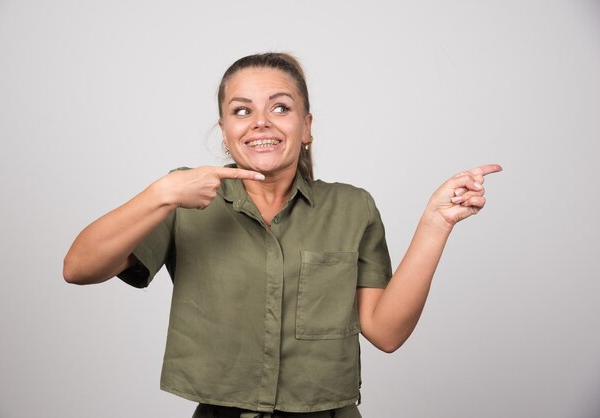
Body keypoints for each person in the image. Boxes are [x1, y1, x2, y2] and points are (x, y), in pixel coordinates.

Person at [63, 52, 501, 418]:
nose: (260, 123)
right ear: (225, 131)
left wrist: (435, 223)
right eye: (241, 110)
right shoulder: (182, 201)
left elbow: (386, 332)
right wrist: (161, 193)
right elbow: (79, 268)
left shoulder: (353, 207)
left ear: (306, 126)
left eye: (280, 107)